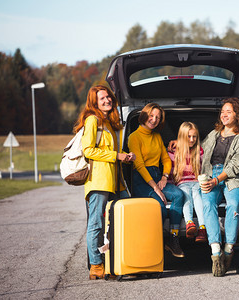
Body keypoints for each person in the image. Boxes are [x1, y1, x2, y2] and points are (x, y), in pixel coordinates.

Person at [75, 85, 136, 280]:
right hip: (99, 181)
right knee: (96, 224)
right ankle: (95, 265)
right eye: (102, 99)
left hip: (113, 181)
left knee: (118, 222)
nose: (107, 100)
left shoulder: (108, 122)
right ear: (94, 102)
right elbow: (88, 150)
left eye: (108, 97)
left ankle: (115, 261)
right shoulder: (93, 120)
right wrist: (116, 155)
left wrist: (125, 156)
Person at [200, 97, 239, 277]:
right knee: (207, 205)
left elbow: (237, 165)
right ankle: (216, 252)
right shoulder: (214, 134)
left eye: (228, 111)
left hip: (232, 178)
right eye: (222, 112)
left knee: (234, 205)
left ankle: (229, 249)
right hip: (210, 174)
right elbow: (200, 151)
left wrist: (217, 180)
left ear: (237, 115)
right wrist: (179, 144)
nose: (224, 115)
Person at [128, 103, 185, 258]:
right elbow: (139, 165)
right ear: (145, 115)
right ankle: (153, 245)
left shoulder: (157, 137)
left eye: (157, 118)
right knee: (159, 207)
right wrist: (155, 187)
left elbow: (166, 160)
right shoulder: (134, 137)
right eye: (151, 115)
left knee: (179, 195)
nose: (153, 120)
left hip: (157, 176)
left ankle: (173, 239)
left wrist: (164, 177)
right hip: (141, 179)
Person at [168, 122, 207, 243]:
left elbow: (203, 169)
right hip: (182, 183)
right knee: (185, 194)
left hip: (196, 182)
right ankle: (189, 222)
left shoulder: (199, 151)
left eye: (194, 137)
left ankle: (202, 227)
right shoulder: (174, 152)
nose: (191, 139)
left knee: (196, 194)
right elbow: (170, 172)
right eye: (188, 136)